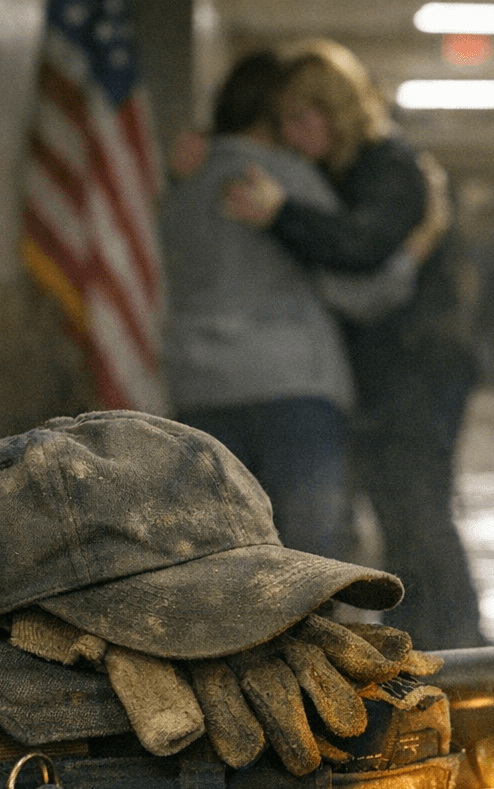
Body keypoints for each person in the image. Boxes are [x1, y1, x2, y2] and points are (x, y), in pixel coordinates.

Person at [226, 39, 487, 650]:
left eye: (300, 118)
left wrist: (279, 212)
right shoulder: (346, 170)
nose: (291, 136)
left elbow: (359, 247)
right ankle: (428, 643)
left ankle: (456, 648)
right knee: (402, 512)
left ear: (333, 111)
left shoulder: (389, 165)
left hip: (419, 367)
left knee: (416, 510)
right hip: (391, 369)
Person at [161, 50, 443, 563]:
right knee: (310, 562)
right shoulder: (285, 178)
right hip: (291, 391)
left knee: (216, 560)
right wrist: (413, 251)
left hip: (195, 390)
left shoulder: (180, 183)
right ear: (274, 113)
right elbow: (359, 294)